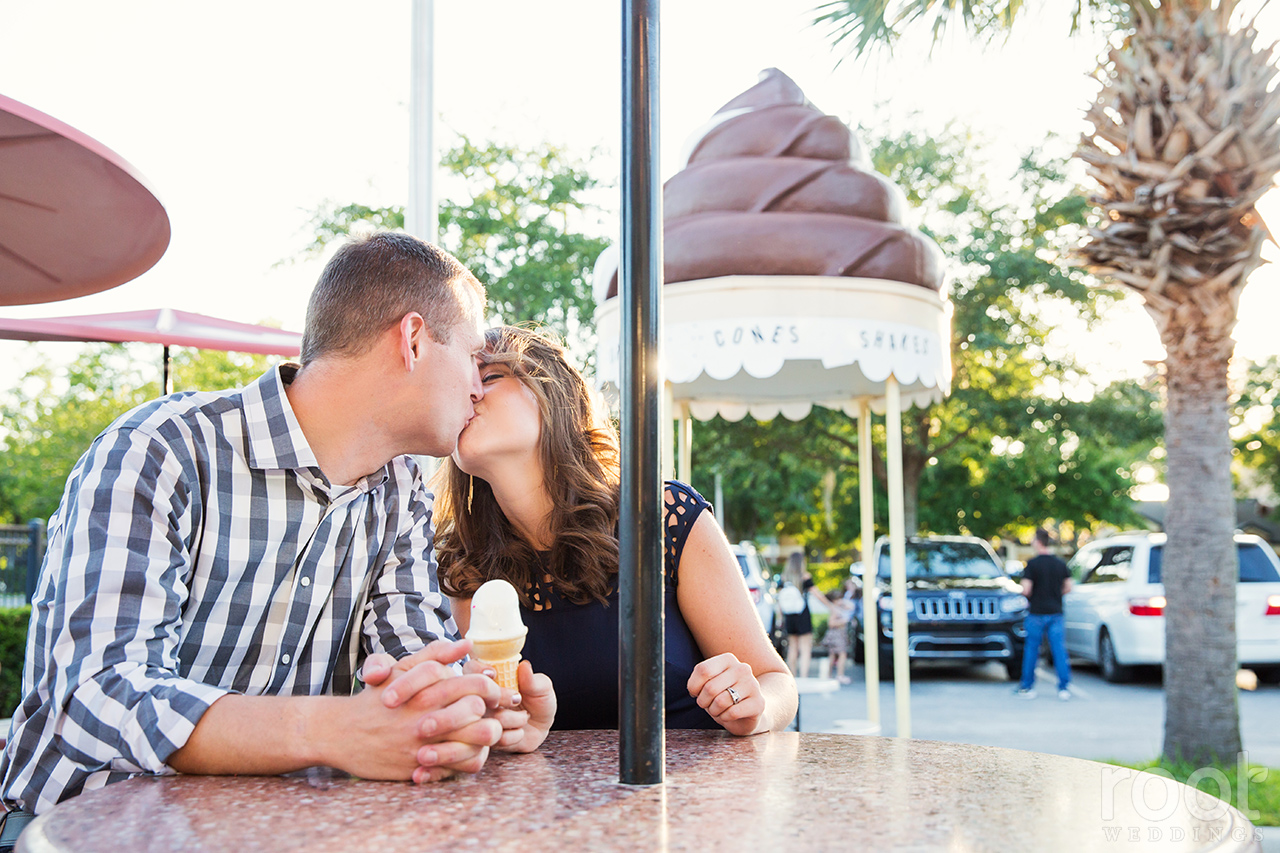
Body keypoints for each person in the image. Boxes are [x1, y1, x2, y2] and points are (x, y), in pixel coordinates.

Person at [0, 233, 555, 816]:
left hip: (279, 831)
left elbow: (416, 669)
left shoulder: (402, 493)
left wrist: (485, 712)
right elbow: (92, 697)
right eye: (472, 358)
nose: (477, 386)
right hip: (76, 830)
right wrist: (333, 731)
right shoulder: (162, 450)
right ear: (413, 340)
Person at [434, 326, 796, 735]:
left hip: (690, 791)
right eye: (458, 384)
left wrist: (755, 708)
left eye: (490, 376)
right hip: (545, 798)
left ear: (553, 392)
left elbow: (775, 680)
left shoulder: (661, 516)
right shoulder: (466, 567)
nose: (470, 392)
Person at [1016, 528, 1074, 700]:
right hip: (1056, 612)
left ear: (1038, 541)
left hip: (1036, 613)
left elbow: (1026, 590)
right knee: (1059, 650)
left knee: (1032, 650)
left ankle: (1027, 686)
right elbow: (1068, 587)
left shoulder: (1032, 564)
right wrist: (1056, 595)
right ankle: (1064, 687)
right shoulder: (1060, 564)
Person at [781, 554, 816, 678]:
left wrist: (780, 618)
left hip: (789, 615)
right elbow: (816, 593)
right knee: (805, 647)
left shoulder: (784, 578)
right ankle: (804, 676)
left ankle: (793, 676)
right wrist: (832, 606)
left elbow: (780, 599)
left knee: (792, 647)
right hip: (802, 615)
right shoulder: (805, 577)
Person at [820, 580, 856, 684]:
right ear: (834, 600)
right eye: (839, 599)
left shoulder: (838, 607)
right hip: (837, 635)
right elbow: (831, 623)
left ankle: (829, 675)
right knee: (842, 655)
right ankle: (840, 675)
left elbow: (851, 606)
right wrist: (843, 621)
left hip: (837, 635)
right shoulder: (835, 610)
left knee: (833, 655)